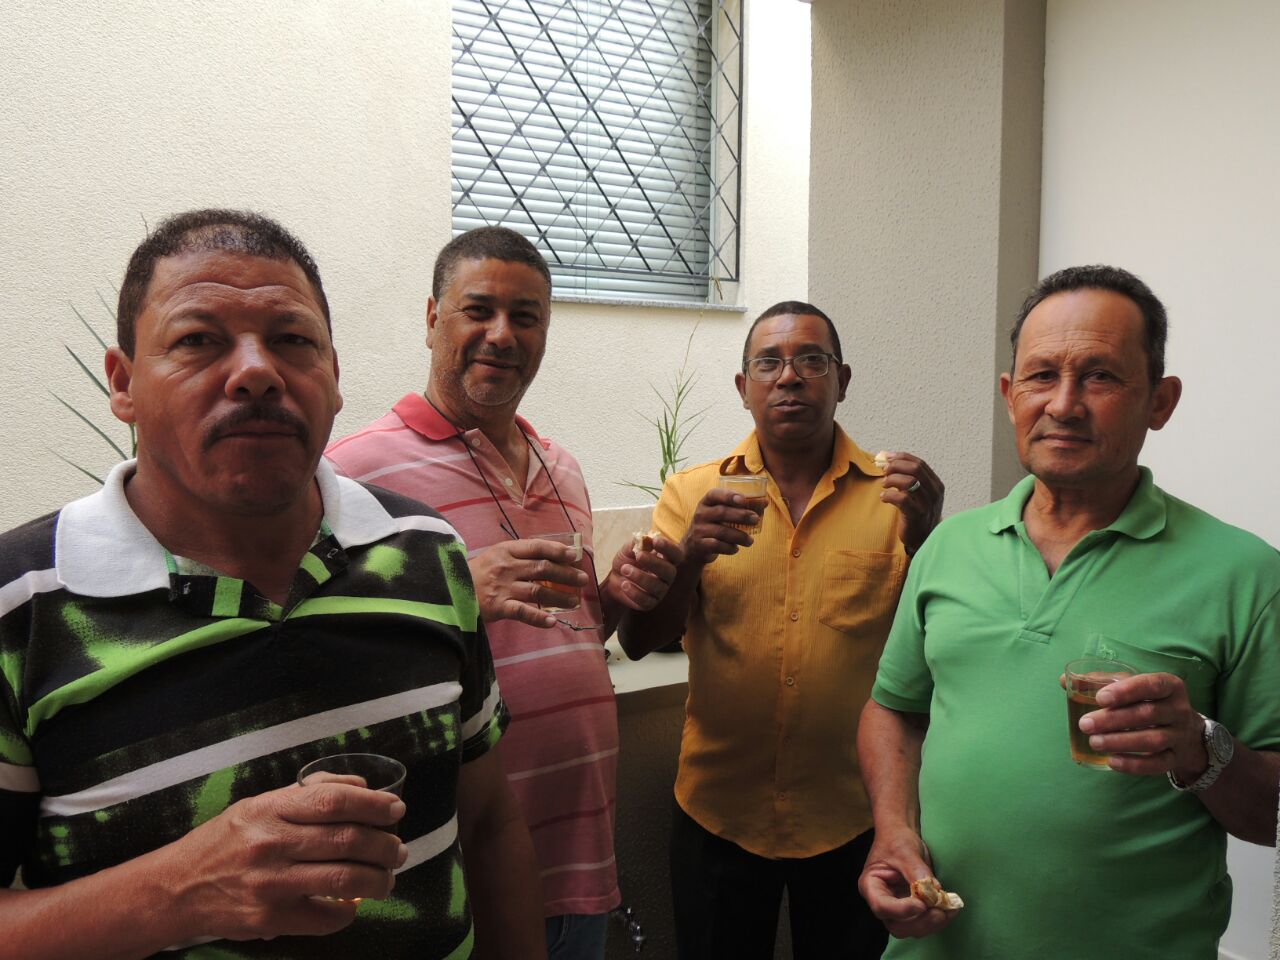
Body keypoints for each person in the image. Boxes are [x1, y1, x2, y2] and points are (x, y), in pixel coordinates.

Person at [0, 209, 546, 959]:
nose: (257, 370)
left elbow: (487, 825)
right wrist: (180, 891)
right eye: (198, 340)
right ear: (123, 384)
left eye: (292, 340)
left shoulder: (426, 554)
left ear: (334, 377)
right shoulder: (20, 610)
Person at [858, 265, 1280, 960]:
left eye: (1100, 376)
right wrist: (893, 829)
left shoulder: (1246, 574)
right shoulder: (948, 548)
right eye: (1041, 376)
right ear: (1009, 395)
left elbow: (1272, 816)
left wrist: (1202, 748)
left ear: (1161, 401)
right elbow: (894, 710)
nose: (1064, 404)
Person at [326, 226, 683, 959]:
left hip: (580, 852)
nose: (501, 334)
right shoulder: (352, 474)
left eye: (526, 317)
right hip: (460, 868)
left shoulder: (561, 467)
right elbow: (319, 658)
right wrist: (453, 591)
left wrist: (613, 594)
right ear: (433, 318)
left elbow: (572, 629)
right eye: (478, 310)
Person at [618, 301, 944, 959]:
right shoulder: (692, 495)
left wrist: (928, 540)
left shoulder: (897, 500)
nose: (789, 376)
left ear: (842, 380)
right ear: (744, 388)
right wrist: (690, 558)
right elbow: (638, 640)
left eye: (811, 361)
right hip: (719, 813)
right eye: (768, 363)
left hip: (856, 815)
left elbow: (932, 649)